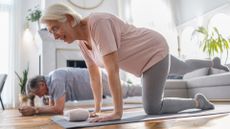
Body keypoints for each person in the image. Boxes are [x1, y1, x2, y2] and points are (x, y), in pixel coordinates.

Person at [40, 3, 214, 122]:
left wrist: (117, 112)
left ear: (69, 19)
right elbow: (94, 75)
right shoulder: (82, 42)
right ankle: (212, 63)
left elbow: (112, 69)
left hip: (153, 49)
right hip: (145, 64)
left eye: (55, 28)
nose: (54, 35)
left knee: (152, 108)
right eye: (50, 31)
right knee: (184, 66)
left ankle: (198, 102)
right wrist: (97, 108)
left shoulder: (97, 23)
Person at [19, 67, 141, 116]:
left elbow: (58, 109)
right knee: (127, 91)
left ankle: (155, 88)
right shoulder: (51, 82)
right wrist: (37, 109)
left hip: (99, 79)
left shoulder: (55, 80)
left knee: (127, 92)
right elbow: (53, 108)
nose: (40, 97)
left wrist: (35, 110)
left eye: (37, 93)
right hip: (96, 78)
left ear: (41, 85)